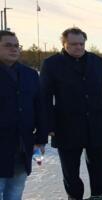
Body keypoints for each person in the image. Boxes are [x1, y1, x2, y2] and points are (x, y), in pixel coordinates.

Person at [40, 27, 102, 199]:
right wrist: (49, 125)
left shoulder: (96, 61)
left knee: (99, 173)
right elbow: (44, 98)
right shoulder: (51, 64)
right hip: (66, 128)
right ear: (64, 44)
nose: (78, 47)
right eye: (74, 44)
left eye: (81, 44)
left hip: (96, 126)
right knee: (71, 176)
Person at [0, 30, 47, 200]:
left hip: (21, 147)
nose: (13, 49)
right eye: (7, 45)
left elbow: (40, 107)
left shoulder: (30, 74)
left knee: (14, 194)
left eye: (16, 46)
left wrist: (41, 137)